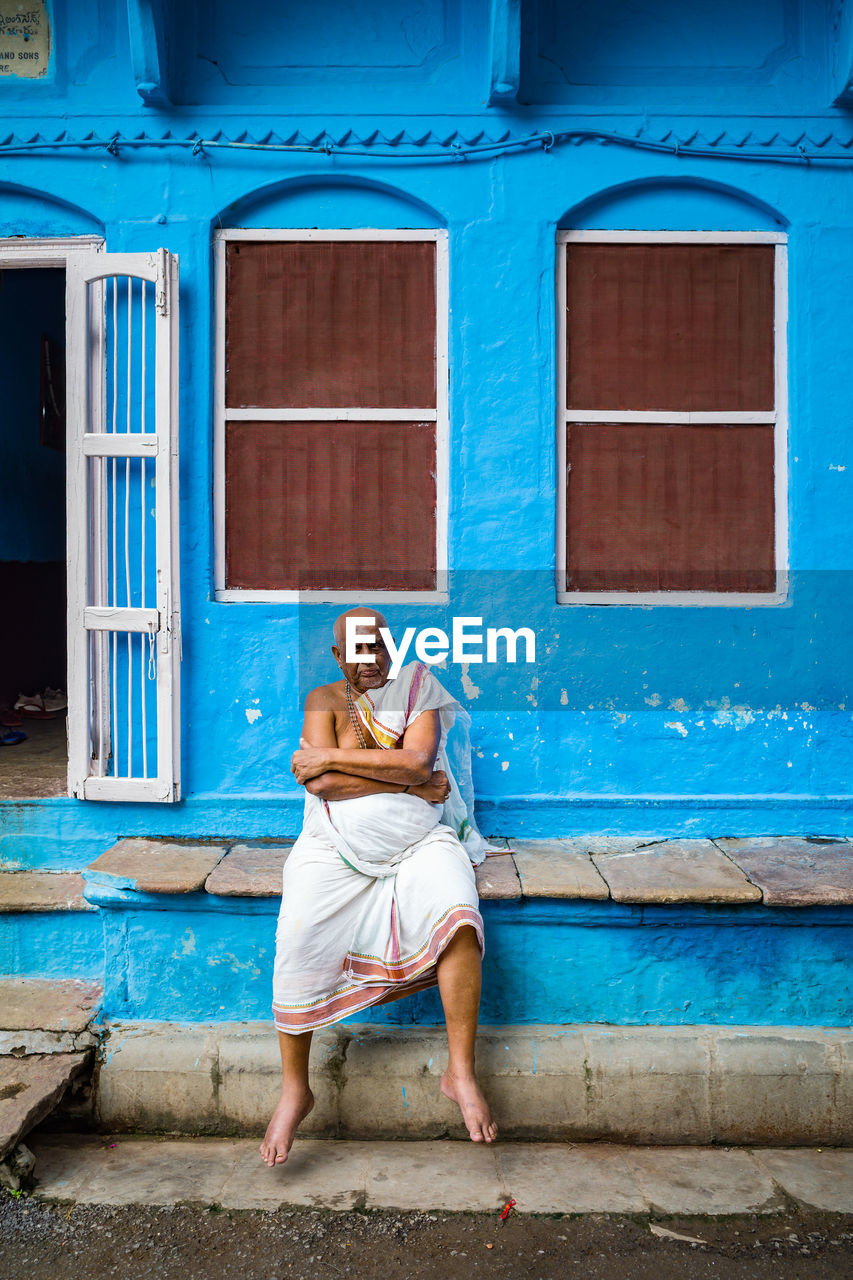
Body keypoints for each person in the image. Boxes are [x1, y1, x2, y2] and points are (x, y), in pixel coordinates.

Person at [260, 607, 498, 1166]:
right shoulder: (322, 700)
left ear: (391, 649)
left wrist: (344, 759)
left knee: (460, 913)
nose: (370, 661)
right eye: (357, 651)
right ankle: (297, 1089)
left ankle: (459, 1074)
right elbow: (322, 785)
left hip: (419, 846)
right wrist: (409, 784)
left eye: (378, 649)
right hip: (333, 848)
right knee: (296, 932)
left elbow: (417, 760)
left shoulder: (419, 691)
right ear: (339, 656)